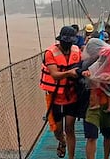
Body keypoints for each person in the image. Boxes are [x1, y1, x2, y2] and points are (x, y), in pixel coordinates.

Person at [78, 38, 110, 159]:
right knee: (91, 136)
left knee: (108, 135)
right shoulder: (88, 62)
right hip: (91, 106)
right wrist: (86, 75)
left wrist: (97, 78)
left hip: (107, 105)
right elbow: (81, 76)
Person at [40, 26, 81, 159]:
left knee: (70, 128)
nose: (68, 44)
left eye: (70, 42)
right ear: (60, 40)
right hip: (56, 98)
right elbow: (54, 74)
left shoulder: (77, 50)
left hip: (72, 96)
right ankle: (62, 141)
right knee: (57, 130)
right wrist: (69, 72)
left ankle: (71, 157)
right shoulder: (50, 53)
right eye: (65, 41)